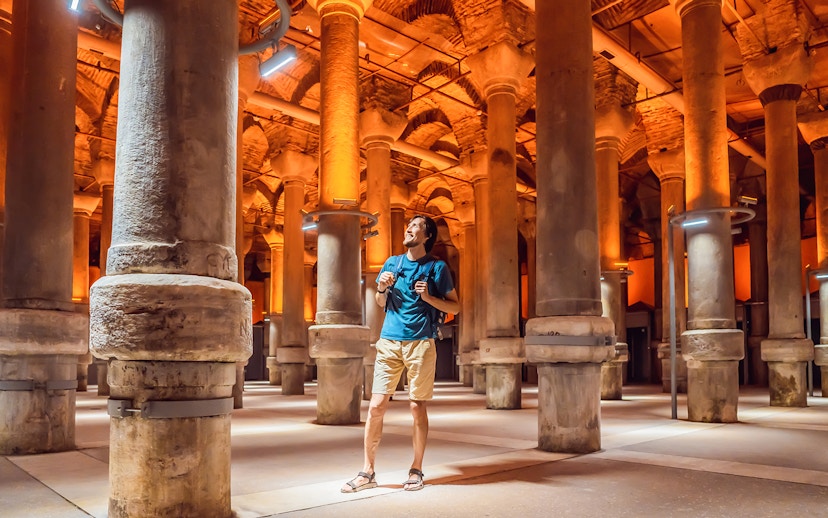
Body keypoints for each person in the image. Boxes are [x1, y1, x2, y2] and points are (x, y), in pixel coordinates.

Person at [341, 214, 460, 493]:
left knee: (417, 407)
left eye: (416, 226)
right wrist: (381, 287)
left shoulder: (437, 267)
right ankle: (367, 471)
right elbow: (380, 301)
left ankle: (416, 469)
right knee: (376, 406)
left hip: (421, 343)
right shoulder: (392, 263)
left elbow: (456, 307)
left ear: (427, 236)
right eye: (409, 225)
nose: (409, 228)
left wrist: (428, 297)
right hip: (389, 341)